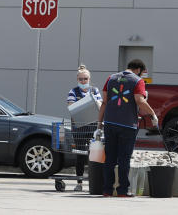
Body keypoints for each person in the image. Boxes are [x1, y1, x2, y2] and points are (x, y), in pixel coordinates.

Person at [97, 59, 157, 197]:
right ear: (138, 70)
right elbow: (139, 100)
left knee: (110, 158)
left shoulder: (110, 78)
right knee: (124, 158)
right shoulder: (137, 81)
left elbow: (104, 102)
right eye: (141, 73)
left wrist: (99, 124)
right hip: (127, 125)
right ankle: (123, 190)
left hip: (110, 123)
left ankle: (107, 190)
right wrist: (153, 114)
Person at [66, 65, 102, 192]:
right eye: (80, 79)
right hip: (79, 128)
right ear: (77, 79)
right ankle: (79, 182)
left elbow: (100, 105)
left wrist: (90, 104)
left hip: (93, 127)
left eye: (85, 79)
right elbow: (72, 108)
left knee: (96, 154)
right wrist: (89, 104)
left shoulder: (95, 90)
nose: (83, 82)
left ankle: (96, 181)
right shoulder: (73, 92)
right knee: (80, 155)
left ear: (89, 79)